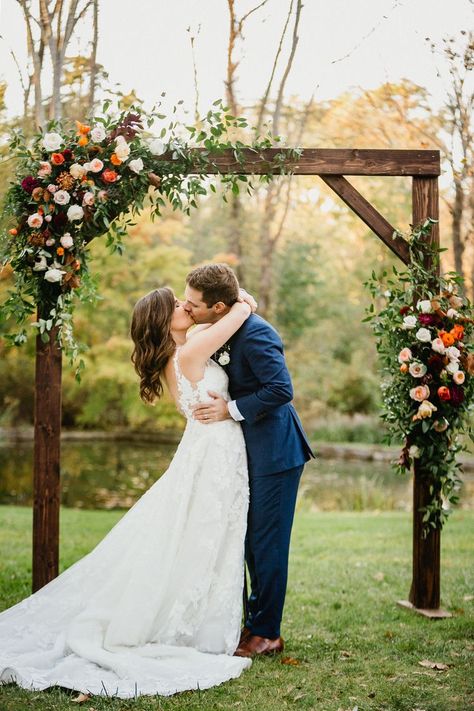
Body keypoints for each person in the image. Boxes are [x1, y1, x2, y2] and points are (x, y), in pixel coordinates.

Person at [0, 287, 255, 699]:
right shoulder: (188, 352)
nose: (184, 306)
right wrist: (240, 300)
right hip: (213, 455)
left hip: (214, 452)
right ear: (161, 320)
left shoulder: (180, 353)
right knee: (205, 535)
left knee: (203, 537)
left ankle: (200, 620)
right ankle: (194, 629)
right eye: (175, 305)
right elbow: (239, 313)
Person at [183, 263, 314, 658]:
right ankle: (252, 623)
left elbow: (281, 389)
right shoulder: (220, 327)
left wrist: (231, 410)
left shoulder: (258, 334)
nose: (188, 309)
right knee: (246, 541)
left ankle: (267, 633)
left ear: (219, 306)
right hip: (243, 454)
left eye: (194, 305)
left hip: (275, 452)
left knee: (266, 545)